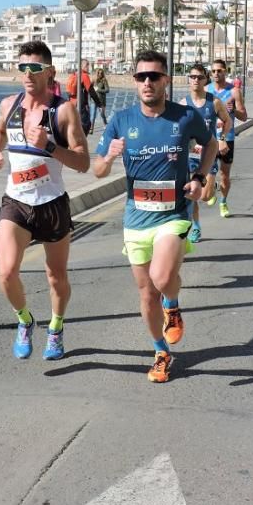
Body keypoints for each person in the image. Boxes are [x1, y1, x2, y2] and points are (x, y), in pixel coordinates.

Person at [94, 50, 217, 383]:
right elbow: (97, 170)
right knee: (146, 294)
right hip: (136, 219)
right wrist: (109, 158)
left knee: (162, 279)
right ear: (135, 82)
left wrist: (200, 178)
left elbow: (212, 144)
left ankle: (173, 305)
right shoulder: (121, 121)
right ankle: (161, 351)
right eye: (141, 77)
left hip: (173, 214)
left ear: (166, 80)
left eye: (154, 76)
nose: (147, 82)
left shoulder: (185, 116)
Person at [0, 41, 89, 361]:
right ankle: (25, 320)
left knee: (55, 276)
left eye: (34, 68)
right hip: (15, 202)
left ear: (50, 72)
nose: (28, 75)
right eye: (22, 68)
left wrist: (48, 147)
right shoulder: (9, 104)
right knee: (6, 273)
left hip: (52, 203)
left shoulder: (64, 110)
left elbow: (83, 162)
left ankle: (56, 328)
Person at [179, 63, 231, 242]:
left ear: (205, 79)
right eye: (192, 77)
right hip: (190, 155)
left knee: (205, 196)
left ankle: (213, 188)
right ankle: (196, 226)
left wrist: (222, 138)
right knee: (192, 193)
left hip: (208, 154)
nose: (195, 80)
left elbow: (227, 121)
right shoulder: (183, 104)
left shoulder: (214, 101)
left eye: (199, 77)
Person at [206, 59, 247, 218]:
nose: (216, 73)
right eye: (214, 71)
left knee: (224, 175)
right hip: (209, 139)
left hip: (227, 138)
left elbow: (244, 116)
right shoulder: (205, 90)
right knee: (207, 173)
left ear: (225, 72)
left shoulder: (234, 92)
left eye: (220, 70)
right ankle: (211, 189)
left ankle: (223, 201)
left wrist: (234, 110)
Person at [66, 59, 92, 135]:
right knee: (85, 124)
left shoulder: (73, 75)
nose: (88, 67)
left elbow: (70, 91)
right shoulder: (84, 76)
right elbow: (91, 92)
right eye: (87, 65)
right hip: (80, 104)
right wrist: (99, 104)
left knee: (74, 122)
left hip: (72, 103)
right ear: (83, 66)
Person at [91, 67, 110, 132]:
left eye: (101, 73)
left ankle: (105, 124)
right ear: (97, 73)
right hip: (94, 100)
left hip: (101, 101)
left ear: (102, 74)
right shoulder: (94, 80)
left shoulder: (104, 80)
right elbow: (90, 89)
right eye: (98, 73)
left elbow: (107, 90)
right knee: (93, 115)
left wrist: (99, 90)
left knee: (102, 114)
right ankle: (91, 128)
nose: (100, 74)